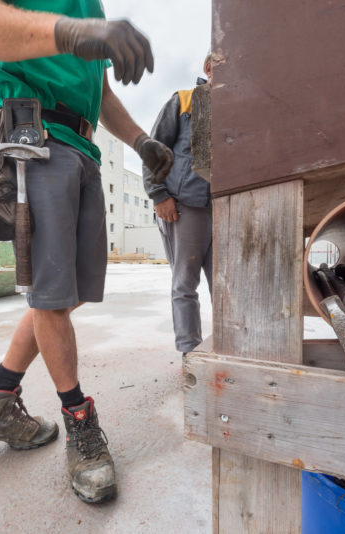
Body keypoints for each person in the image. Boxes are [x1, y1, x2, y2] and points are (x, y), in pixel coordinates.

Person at [0, 0, 173, 504]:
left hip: (82, 150)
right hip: (35, 139)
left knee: (65, 295)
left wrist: (140, 142)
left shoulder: (90, 5)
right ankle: (80, 422)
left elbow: (102, 90)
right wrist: (73, 32)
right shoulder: (76, 18)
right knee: (51, 297)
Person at [143, 55, 213, 357]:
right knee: (185, 282)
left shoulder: (242, 107)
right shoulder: (184, 101)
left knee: (226, 284)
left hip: (226, 207)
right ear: (209, 68)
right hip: (185, 205)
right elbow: (154, 149)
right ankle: (190, 352)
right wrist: (159, 194)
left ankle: (231, 346)